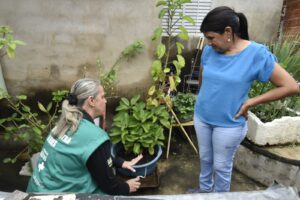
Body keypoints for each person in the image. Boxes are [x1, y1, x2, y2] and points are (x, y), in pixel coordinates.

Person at [191, 6, 299, 193]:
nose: (208, 43)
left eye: (211, 38)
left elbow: (290, 86)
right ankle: (204, 192)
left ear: (228, 32)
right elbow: (203, 78)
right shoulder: (210, 51)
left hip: (228, 123)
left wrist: (251, 102)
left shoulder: (256, 54)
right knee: (205, 160)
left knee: (221, 167)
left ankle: (220, 198)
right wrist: (202, 98)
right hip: (202, 117)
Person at [27, 78, 142, 195]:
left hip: (36, 190)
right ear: (91, 101)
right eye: (102, 97)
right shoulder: (95, 137)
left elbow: (88, 154)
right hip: (56, 197)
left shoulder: (64, 124)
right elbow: (109, 185)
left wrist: (121, 162)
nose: (105, 101)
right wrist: (127, 187)